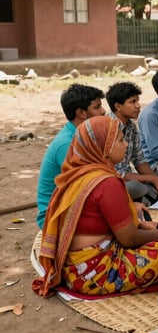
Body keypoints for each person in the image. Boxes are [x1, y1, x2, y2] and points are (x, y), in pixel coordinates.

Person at [32, 116, 158, 297]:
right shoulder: (106, 183)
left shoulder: (78, 173)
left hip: (73, 268)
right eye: (120, 140)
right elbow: (129, 239)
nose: (126, 144)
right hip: (96, 273)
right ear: (104, 148)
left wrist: (142, 226)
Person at [36, 84, 106, 229]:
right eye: (97, 107)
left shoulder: (85, 135)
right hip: (55, 215)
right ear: (81, 113)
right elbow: (89, 188)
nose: (103, 111)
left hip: (76, 203)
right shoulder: (68, 144)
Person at [106, 82, 158, 206]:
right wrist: (152, 179)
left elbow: (139, 160)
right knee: (135, 187)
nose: (138, 106)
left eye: (137, 101)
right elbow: (117, 174)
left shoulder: (131, 126)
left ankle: (148, 197)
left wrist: (157, 180)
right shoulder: (108, 127)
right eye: (132, 102)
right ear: (118, 106)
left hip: (131, 177)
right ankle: (148, 197)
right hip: (113, 181)